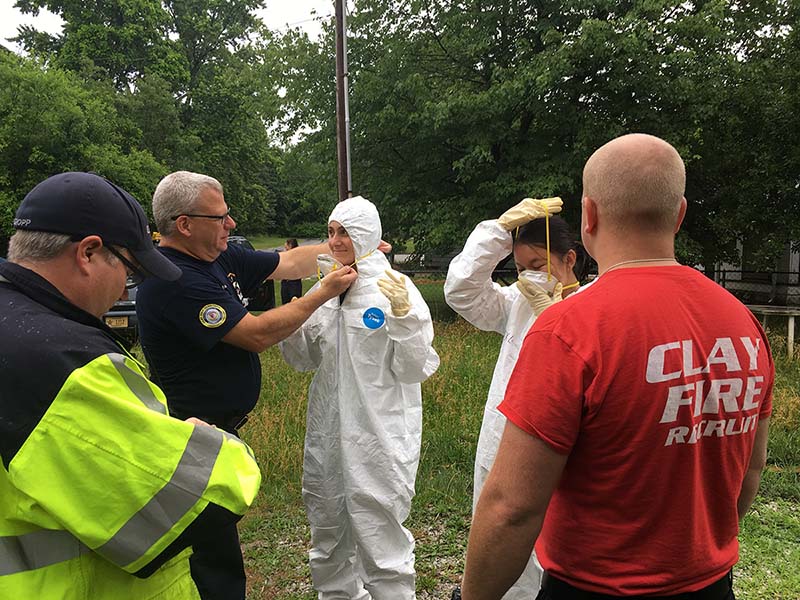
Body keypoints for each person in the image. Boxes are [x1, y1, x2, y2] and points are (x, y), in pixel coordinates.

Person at [460, 133, 773, 600]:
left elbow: (512, 508)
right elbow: (751, 469)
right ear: (680, 213)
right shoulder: (742, 322)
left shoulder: (568, 329)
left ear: (589, 216)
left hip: (594, 585)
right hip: (710, 582)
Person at [0, 172, 262, 599]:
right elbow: (197, 501)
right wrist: (211, 443)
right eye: (128, 268)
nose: (127, 286)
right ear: (88, 253)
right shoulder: (63, 362)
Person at [135, 170, 358, 599]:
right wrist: (320, 293)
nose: (231, 225)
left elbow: (290, 263)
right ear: (184, 224)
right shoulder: (175, 281)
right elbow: (255, 333)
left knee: (219, 543)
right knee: (211, 558)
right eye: (220, 217)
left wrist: (350, 247)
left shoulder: (216, 256)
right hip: (190, 434)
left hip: (219, 430)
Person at [280, 196, 440, 600]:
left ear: (367, 234)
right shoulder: (328, 288)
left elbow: (414, 368)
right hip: (328, 434)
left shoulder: (394, 289)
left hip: (379, 434)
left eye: (345, 232)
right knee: (328, 531)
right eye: (331, 231)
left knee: (380, 536)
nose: (335, 240)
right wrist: (301, 303)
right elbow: (302, 358)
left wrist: (405, 320)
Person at [445, 202, 587, 599]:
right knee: (505, 542)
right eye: (522, 267)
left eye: (539, 264)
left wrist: (557, 315)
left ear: (569, 258)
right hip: (505, 438)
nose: (529, 276)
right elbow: (461, 290)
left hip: (561, 448)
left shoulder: (593, 302)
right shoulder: (517, 302)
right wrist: (497, 231)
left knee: (552, 545)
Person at [280, 237, 304, 304]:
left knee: (294, 303)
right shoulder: (285, 256)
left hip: (294, 284)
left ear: (290, 245)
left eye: (286, 247)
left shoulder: (298, 256)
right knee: (285, 305)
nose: (285, 249)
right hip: (285, 282)